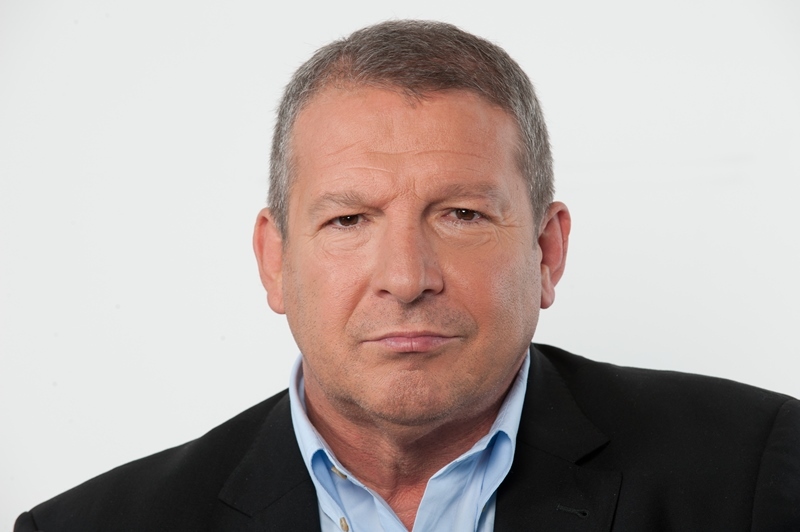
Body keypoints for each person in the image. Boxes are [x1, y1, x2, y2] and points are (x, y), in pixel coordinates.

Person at [15, 20, 799, 532]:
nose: (405, 277)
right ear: (275, 261)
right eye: (349, 220)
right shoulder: (91, 527)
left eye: (460, 214)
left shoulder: (757, 477)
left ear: (546, 251)